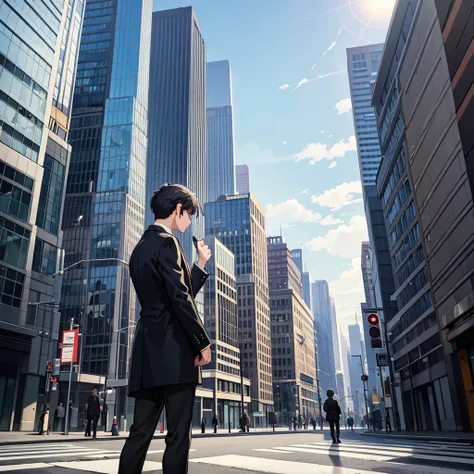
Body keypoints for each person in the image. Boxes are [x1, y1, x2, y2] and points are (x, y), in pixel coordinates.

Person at [118, 184, 212, 474]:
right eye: (189, 214)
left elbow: (172, 294)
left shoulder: (140, 247)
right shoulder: (168, 243)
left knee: (139, 433)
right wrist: (202, 342)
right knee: (177, 436)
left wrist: (199, 264)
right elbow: (180, 299)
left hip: (148, 353)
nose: (189, 221)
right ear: (178, 210)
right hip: (176, 354)